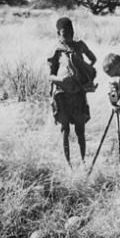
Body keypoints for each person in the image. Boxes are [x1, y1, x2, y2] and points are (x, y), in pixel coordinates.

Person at [47, 17, 97, 165]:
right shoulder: (56, 50)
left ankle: (83, 161)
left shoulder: (80, 46)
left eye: (70, 32)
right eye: (64, 33)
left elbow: (93, 59)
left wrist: (85, 71)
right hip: (62, 96)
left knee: (80, 130)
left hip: (78, 94)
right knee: (65, 130)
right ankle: (68, 164)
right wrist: (60, 81)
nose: (68, 35)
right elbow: (49, 75)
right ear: (58, 33)